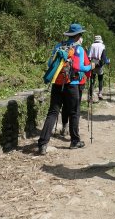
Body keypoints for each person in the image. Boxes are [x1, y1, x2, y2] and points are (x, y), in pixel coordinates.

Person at [38, 23, 93, 154]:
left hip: (57, 83)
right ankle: (75, 141)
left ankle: (42, 143)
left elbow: (50, 63)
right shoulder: (78, 49)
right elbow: (79, 68)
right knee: (74, 112)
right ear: (78, 35)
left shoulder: (59, 46)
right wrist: (90, 66)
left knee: (52, 112)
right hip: (72, 84)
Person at [88, 34, 109, 101]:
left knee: (92, 80)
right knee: (100, 79)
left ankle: (90, 95)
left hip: (93, 63)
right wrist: (106, 61)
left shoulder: (92, 45)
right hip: (99, 64)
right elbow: (104, 56)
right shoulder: (102, 46)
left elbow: (89, 55)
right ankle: (100, 93)